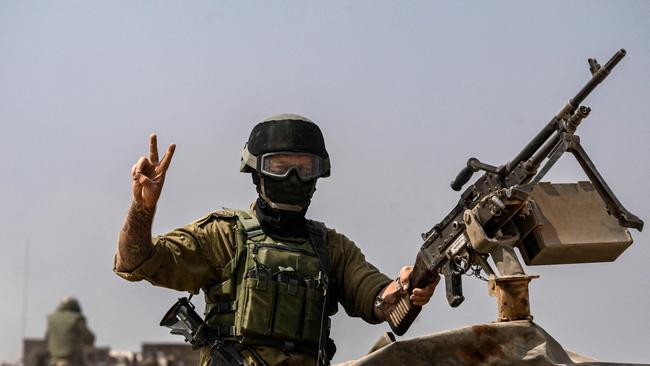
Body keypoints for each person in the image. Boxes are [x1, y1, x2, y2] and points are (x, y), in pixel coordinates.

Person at [114, 114, 438, 366]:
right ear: (257, 172)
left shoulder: (331, 248)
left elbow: (378, 299)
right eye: (280, 167)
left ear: (318, 174)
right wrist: (142, 208)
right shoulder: (224, 236)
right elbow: (135, 261)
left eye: (303, 168)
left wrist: (407, 289)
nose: (293, 178)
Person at [45, 297, 95, 366]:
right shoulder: (76, 318)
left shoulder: (52, 319)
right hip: (71, 362)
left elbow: (47, 337)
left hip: (53, 362)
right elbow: (90, 338)